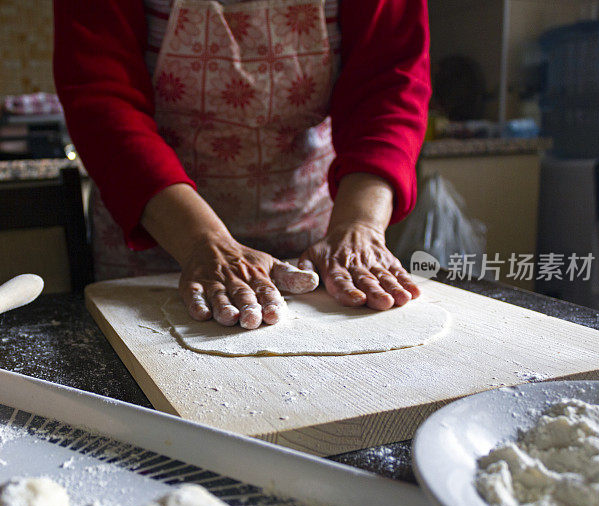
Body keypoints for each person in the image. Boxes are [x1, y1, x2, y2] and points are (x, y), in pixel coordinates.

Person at [53, 0, 431, 329]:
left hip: (309, 241)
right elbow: (103, 97)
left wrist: (360, 224)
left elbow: (390, 84)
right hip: (157, 238)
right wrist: (201, 240)